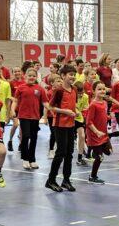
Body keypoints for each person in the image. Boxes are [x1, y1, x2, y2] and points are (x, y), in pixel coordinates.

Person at [45, 64, 78, 193]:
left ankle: (66, 180)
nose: (73, 77)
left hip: (71, 125)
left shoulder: (74, 89)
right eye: (70, 74)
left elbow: (72, 105)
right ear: (63, 76)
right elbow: (51, 107)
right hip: (60, 125)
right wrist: (65, 111)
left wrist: (77, 111)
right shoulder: (58, 90)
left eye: (74, 75)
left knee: (69, 153)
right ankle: (51, 180)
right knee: (60, 153)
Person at [12, 67, 45, 170]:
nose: (31, 77)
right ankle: (25, 159)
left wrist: (48, 112)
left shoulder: (40, 89)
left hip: (35, 116)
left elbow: (45, 102)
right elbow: (15, 101)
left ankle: (32, 159)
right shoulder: (21, 88)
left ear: (36, 77)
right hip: (24, 116)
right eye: (29, 75)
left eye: (34, 76)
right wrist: (12, 110)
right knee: (25, 136)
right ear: (25, 76)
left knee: (34, 138)